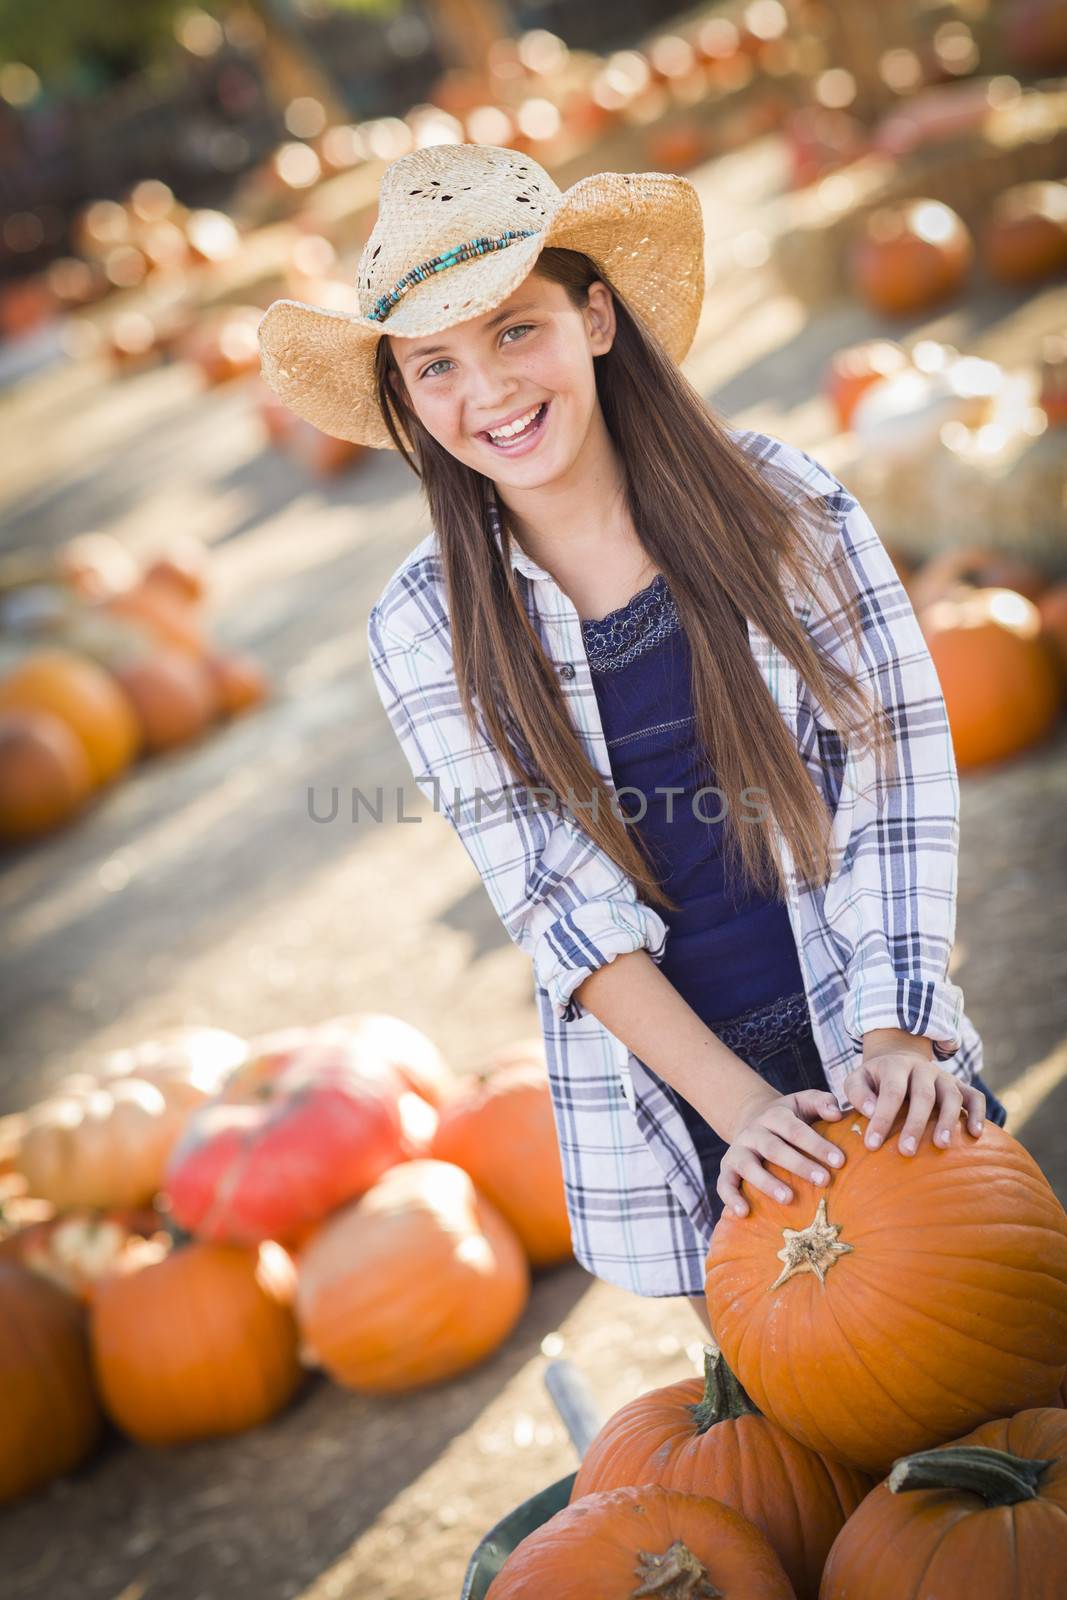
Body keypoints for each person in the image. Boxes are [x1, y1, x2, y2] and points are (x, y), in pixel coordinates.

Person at [257, 143, 1009, 1334]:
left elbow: (893, 767)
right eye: (434, 364)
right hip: (696, 1103)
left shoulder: (780, 505)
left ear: (594, 317)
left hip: (870, 1023)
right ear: (404, 399)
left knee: (992, 1360)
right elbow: (553, 898)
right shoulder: (423, 626)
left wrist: (896, 1028)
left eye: (516, 329)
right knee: (820, 1426)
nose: (489, 392)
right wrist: (740, 1111)